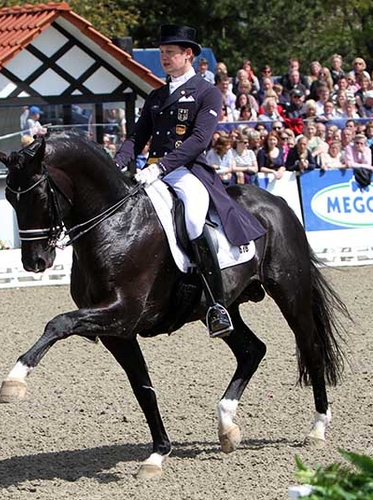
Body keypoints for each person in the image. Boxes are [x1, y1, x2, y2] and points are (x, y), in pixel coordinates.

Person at [114, 24, 266, 338]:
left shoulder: (207, 92)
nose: (164, 58)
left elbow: (199, 140)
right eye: (161, 53)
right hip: (152, 171)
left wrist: (160, 168)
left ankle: (216, 304)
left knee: (195, 221)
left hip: (187, 172)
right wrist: (115, 164)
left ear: (188, 55)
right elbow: (136, 138)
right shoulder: (157, 95)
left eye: (170, 53)